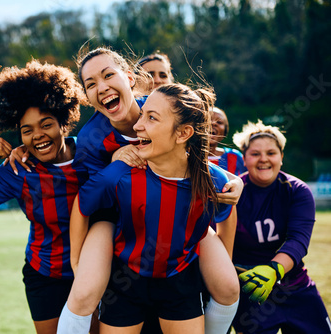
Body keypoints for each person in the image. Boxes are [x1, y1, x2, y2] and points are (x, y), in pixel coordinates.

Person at [54, 47, 240, 334]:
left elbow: (192, 159)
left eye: (108, 76)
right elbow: (90, 198)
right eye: (90, 84)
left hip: (178, 217)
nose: (102, 87)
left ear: (129, 77)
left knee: (228, 286)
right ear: (87, 96)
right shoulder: (93, 140)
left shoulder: (156, 105)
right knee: (85, 290)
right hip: (116, 216)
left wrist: (231, 179)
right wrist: (77, 261)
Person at [0, 60, 94, 334]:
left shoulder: (92, 155)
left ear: (64, 122)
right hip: (45, 275)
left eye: (46, 124)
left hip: (94, 272)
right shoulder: (19, 169)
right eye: (27, 130)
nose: (38, 135)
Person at [231, 120, 331, 333]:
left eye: (271, 153)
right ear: (244, 158)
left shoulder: (297, 190)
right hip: (252, 292)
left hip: (295, 286)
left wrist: (273, 269)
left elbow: (298, 239)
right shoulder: (232, 192)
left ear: (281, 157)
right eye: (255, 153)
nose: (264, 159)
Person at [208, 107, 247, 176]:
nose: (213, 123)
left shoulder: (235, 157)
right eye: (207, 120)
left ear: (225, 131)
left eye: (219, 122)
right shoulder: (186, 156)